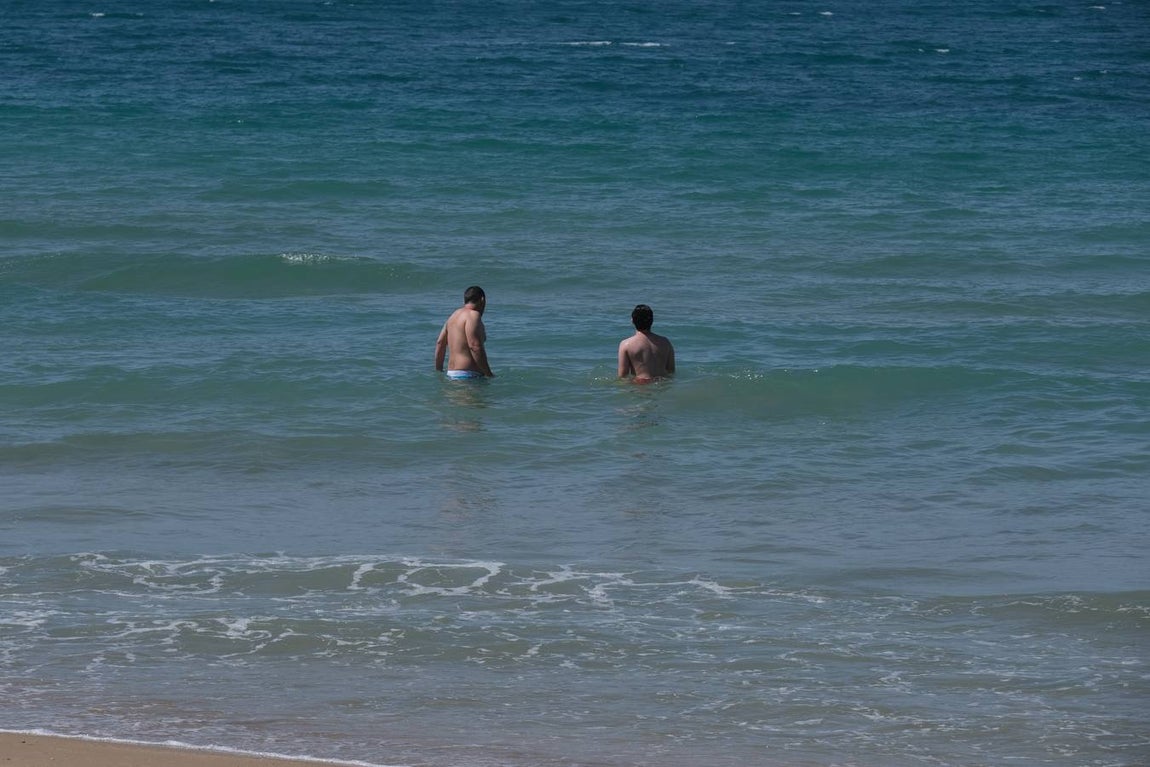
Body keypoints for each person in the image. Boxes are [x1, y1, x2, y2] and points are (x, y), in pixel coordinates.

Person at [435, 285, 495, 379]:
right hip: (469, 376)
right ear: (482, 300)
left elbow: (440, 343)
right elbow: (475, 346)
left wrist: (439, 370)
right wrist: (488, 374)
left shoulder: (453, 316)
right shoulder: (473, 315)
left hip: (451, 374)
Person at [617, 303, 675, 383]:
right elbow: (671, 371)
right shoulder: (665, 342)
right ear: (652, 321)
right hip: (661, 384)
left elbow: (622, 376)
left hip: (640, 386)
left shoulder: (626, 345)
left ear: (632, 321)